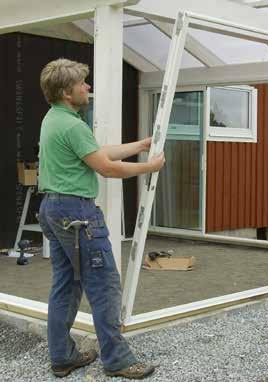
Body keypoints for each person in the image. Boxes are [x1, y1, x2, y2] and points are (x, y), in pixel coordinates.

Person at [37, 58, 165, 379]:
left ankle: (63, 356)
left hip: (54, 210)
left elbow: (97, 151)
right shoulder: (71, 124)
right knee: (104, 285)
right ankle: (118, 360)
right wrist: (148, 168)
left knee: (66, 284)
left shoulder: (55, 119)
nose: (87, 87)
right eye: (82, 83)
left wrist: (141, 145)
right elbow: (106, 167)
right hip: (77, 215)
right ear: (67, 92)